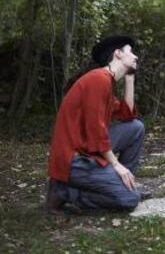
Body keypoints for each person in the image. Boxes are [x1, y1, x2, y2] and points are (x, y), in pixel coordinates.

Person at [46, 35, 146, 214]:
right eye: (131, 52)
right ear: (118, 54)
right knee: (130, 200)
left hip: (87, 150)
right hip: (74, 159)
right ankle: (65, 192)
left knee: (136, 127)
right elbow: (96, 130)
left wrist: (130, 79)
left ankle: (125, 183)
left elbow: (128, 115)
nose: (136, 57)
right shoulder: (98, 80)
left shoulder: (105, 82)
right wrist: (116, 164)